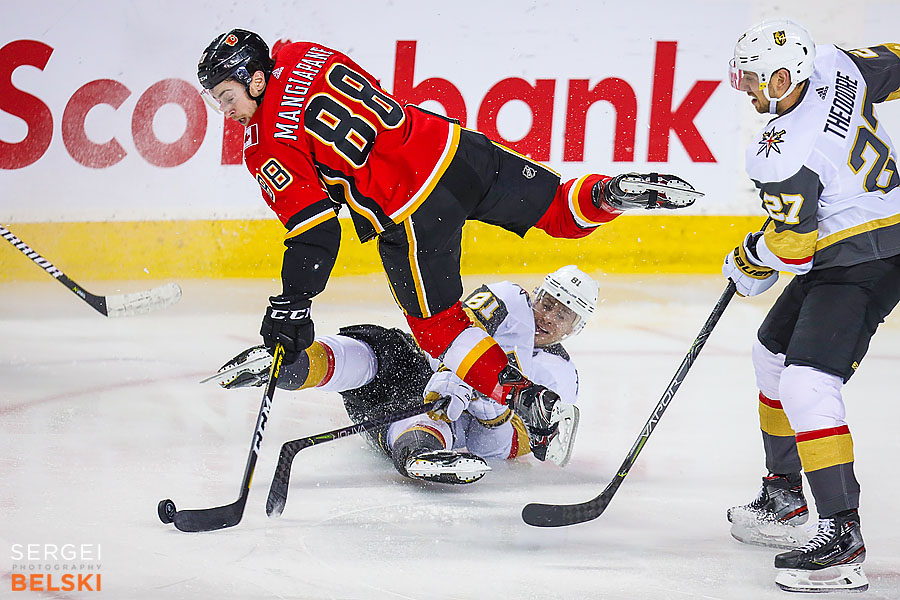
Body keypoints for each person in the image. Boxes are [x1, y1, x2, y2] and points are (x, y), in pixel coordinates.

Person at [196, 30, 701, 451]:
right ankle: (612, 193)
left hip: (412, 211)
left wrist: (291, 305)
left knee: (438, 327)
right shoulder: (304, 52)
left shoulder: (266, 147)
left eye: (228, 98)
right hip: (455, 150)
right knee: (557, 208)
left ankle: (520, 395)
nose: (227, 112)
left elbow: (315, 233)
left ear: (256, 78)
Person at [722, 18, 900, 593]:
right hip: (854, 241)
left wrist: (752, 256)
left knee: (806, 382)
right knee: (770, 353)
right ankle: (783, 495)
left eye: (753, 79)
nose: (746, 88)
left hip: (865, 259)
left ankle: (841, 538)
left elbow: (793, 251)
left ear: (783, 76)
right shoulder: (835, 63)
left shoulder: (779, 152)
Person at [211, 265, 598, 484]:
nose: (548, 315)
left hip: (431, 420)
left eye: (562, 313)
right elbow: (455, 335)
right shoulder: (509, 299)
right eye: (547, 302)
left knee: (435, 418)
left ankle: (419, 454)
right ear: (536, 293)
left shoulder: (560, 378)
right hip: (416, 370)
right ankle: (288, 365)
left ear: (576, 327)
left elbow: (501, 446)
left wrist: (480, 404)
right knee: (379, 348)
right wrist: (451, 380)